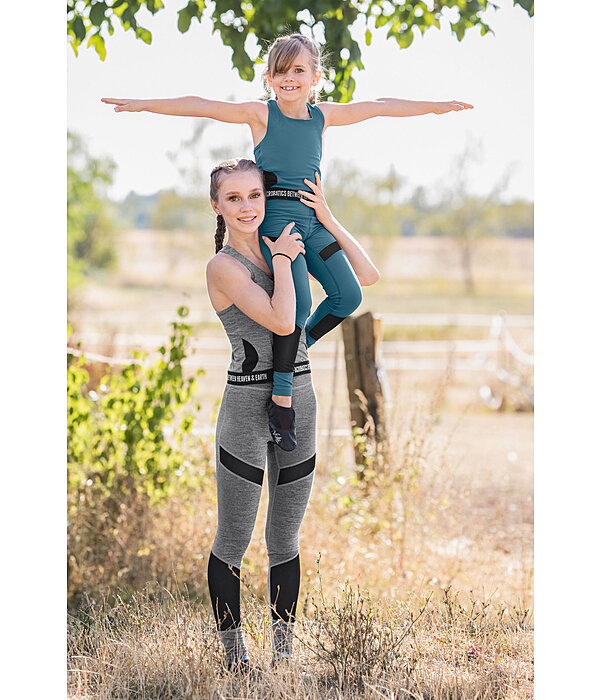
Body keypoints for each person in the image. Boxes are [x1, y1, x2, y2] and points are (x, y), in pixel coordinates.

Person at [102, 33, 473, 450]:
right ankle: (281, 401)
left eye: (299, 70)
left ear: (316, 76)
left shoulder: (322, 116)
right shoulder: (262, 115)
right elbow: (202, 104)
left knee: (348, 296)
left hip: (314, 220)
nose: (289, 78)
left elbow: (379, 107)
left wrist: (437, 107)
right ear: (269, 78)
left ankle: (296, 351)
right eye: (281, 71)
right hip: (280, 225)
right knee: (299, 304)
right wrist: (143, 104)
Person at [203, 157, 378, 673]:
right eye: (233, 199)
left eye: (254, 196)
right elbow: (282, 318)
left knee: (285, 538)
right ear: (216, 206)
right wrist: (281, 259)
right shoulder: (224, 267)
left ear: (266, 198)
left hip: (299, 398)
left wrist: (325, 215)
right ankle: (235, 664)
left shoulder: (292, 245)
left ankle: (282, 660)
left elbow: (363, 279)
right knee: (232, 540)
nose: (246, 207)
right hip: (245, 407)